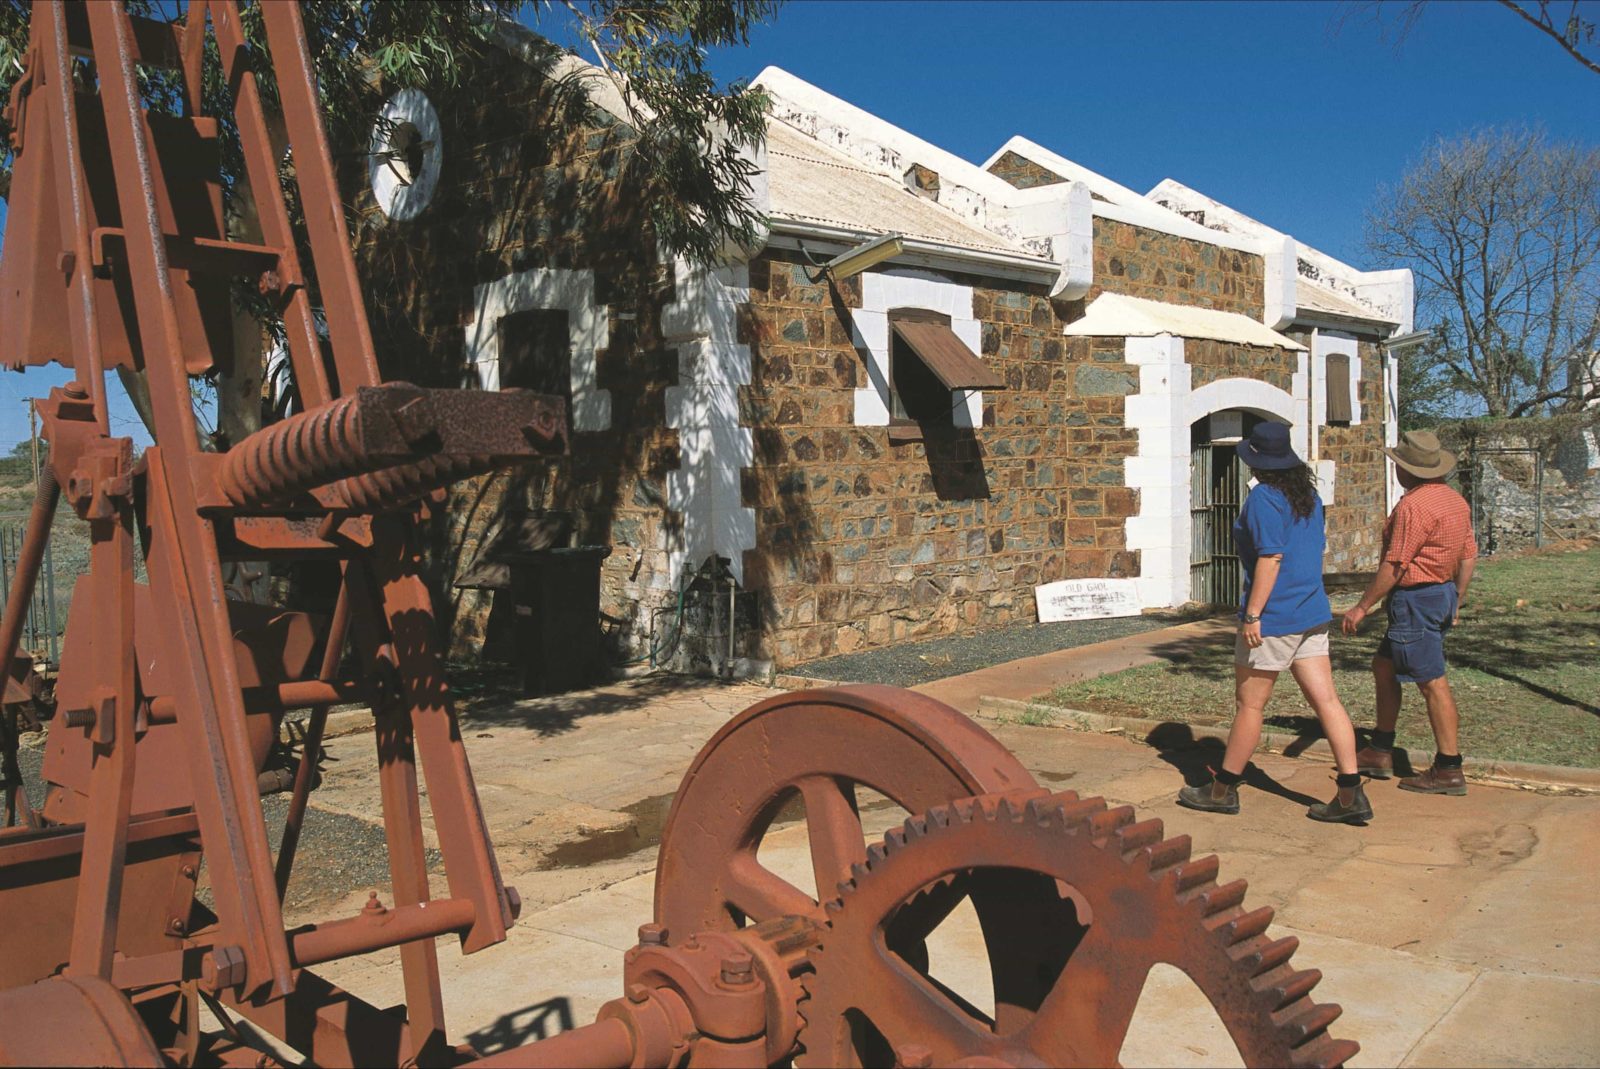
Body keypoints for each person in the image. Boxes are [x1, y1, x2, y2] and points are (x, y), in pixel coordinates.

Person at [1178, 422, 1371, 824]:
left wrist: (1253, 614)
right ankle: (1351, 792)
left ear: (1257, 461)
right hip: (1312, 612)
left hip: (1274, 617)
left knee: (1250, 705)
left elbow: (1271, 558)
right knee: (1328, 702)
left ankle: (1222, 789)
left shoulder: (1264, 498)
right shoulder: (1309, 498)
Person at [1341, 430, 1477, 795]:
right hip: (1440, 595)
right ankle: (1381, 749)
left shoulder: (1414, 507)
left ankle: (1449, 767)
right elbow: (1468, 555)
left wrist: (1362, 606)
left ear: (1409, 471)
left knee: (1432, 681)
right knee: (1384, 665)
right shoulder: (1454, 502)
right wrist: (1456, 600)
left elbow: (1395, 564)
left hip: (1416, 599)